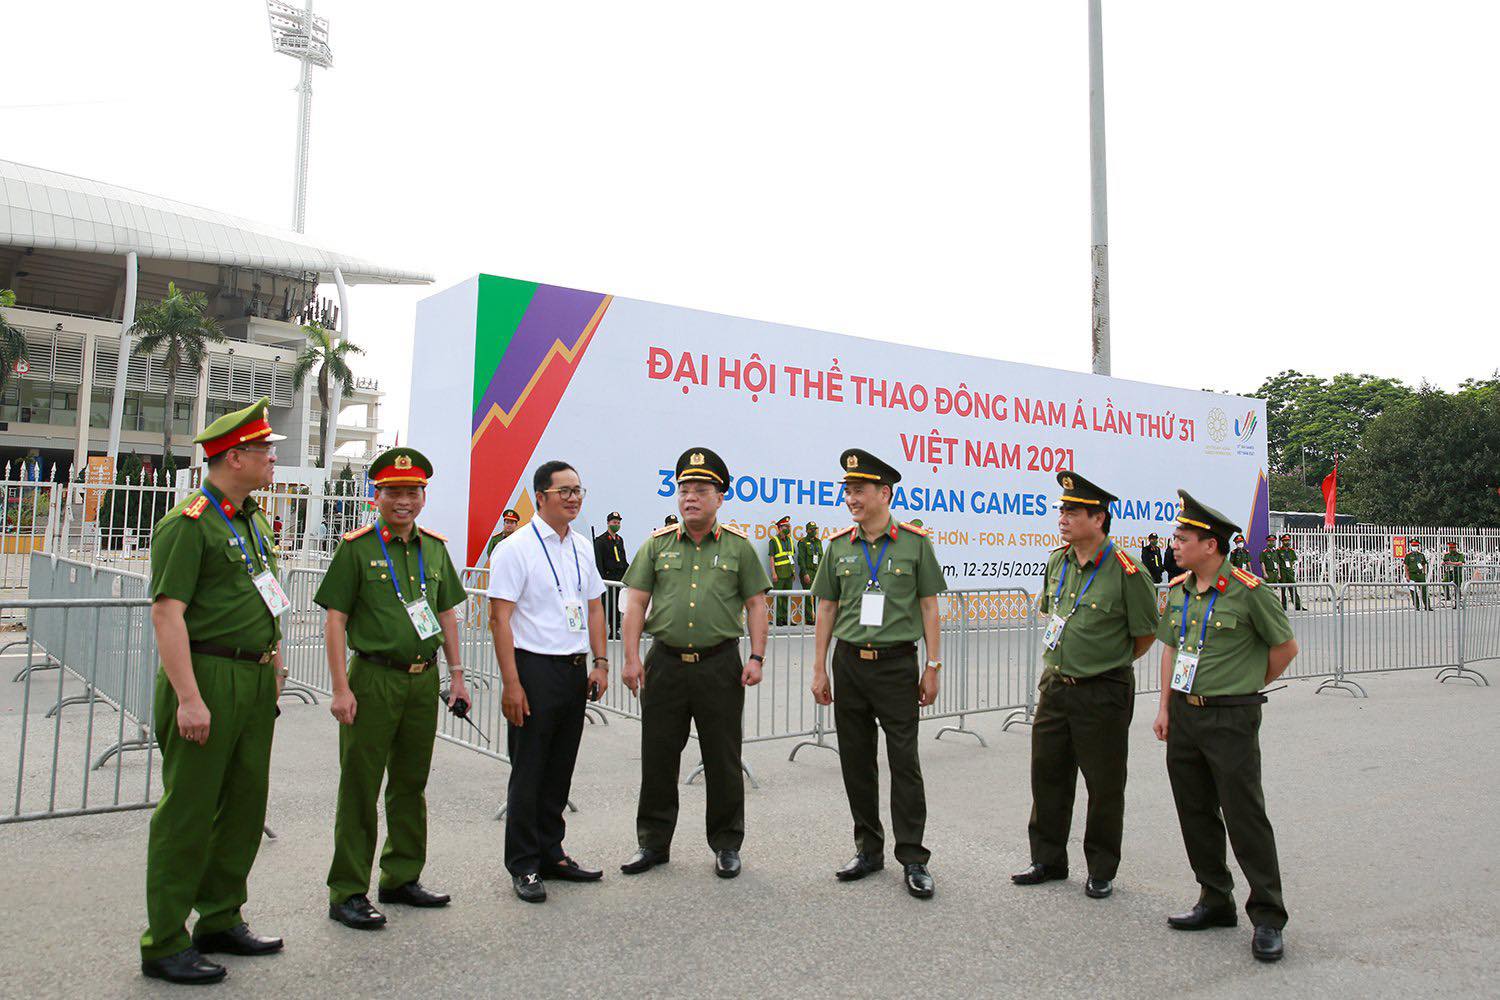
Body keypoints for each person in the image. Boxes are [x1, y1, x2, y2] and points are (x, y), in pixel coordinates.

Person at [140, 397, 288, 985]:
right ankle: (164, 940)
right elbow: (167, 614)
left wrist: (273, 663)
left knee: (245, 806)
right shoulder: (190, 523)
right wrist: (189, 698)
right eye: (264, 451)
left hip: (253, 679)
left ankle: (221, 916)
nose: (273, 459)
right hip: (207, 677)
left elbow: (263, 596)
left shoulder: (250, 518)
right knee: (189, 812)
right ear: (234, 456)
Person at [316, 448, 469, 928]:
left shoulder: (435, 548)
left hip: (422, 681)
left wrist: (457, 674)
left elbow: (446, 613)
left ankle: (401, 875)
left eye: (413, 492)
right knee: (360, 787)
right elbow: (335, 620)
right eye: (394, 492)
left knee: (410, 783)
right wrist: (341, 688)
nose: (404, 501)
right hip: (373, 679)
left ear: (423, 496)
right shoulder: (357, 548)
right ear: (376, 495)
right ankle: (347, 890)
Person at [1152, 491, 1298, 964]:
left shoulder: (1249, 592)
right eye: (1176, 537)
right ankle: (1215, 899)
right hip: (1186, 715)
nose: (1175, 544)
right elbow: (1171, 650)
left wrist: (1244, 686)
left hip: (1232, 715)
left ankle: (1269, 916)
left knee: (1243, 814)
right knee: (1194, 810)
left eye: (1183, 538)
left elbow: (1285, 649)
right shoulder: (1178, 591)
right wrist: (1165, 707)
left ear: (1210, 545)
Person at [620, 448, 770, 879]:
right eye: (683, 489)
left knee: (723, 758)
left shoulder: (739, 548)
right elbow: (635, 604)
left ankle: (726, 844)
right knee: (658, 755)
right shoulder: (656, 545)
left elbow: (757, 605)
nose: (689, 498)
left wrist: (757, 656)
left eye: (700, 490)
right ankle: (652, 843)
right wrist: (631, 659)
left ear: (719, 497)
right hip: (664, 664)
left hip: (719, 664)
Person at [1013, 471, 1159, 900]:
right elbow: (1051, 613)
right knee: (1048, 775)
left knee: (1104, 783)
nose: (1062, 517)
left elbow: (1145, 634)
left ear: (1098, 519)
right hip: (1056, 686)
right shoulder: (1057, 561)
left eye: (1072, 511)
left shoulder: (1128, 572)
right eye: (1062, 509)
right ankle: (1047, 859)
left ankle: (1100, 868)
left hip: (1103, 690)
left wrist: (1105, 662)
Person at [811, 449, 946, 899]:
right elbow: (826, 608)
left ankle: (913, 857)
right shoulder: (836, 547)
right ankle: (868, 849)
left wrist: (932, 666)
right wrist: (819, 668)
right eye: (847, 490)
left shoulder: (914, 543)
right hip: (849, 664)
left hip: (896, 666)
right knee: (856, 760)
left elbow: (929, 606)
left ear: (884, 493)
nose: (851, 498)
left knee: (904, 763)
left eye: (859, 490)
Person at [487, 461, 611, 902]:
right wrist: (511, 683)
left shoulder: (580, 546)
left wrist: (600, 661)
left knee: (560, 768)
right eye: (565, 491)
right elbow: (499, 618)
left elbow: (594, 607)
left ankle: (551, 852)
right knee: (530, 770)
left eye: (579, 490)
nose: (574, 498)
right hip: (533, 668)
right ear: (540, 496)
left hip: (574, 669)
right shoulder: (514, 548)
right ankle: (523, 864)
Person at [594, 511, 629, 639]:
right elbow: (598, 563)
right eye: (614, 522)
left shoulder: (619, 540)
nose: (616, 524)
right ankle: (604, 629)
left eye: (618, 522)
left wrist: (629, 574)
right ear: (608, 523)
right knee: (607, 606)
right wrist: (601, 580)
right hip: (607, 579)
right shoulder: (600, 541)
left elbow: (623, 560)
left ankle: (615, 629)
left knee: (617, 606)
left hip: (619, 579)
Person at [768, 515, 797, 625]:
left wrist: (793, 571)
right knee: (778, 598)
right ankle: (778, 618)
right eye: (786, 527)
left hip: (789, 574)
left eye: (789, 526)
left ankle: (787, 618)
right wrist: (773, 573)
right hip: (779, 574)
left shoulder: (790, 540)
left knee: (787, 597)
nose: (788, 529)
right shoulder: (773, 541)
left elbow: (791, 557)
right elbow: (771, 558)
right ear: (779, 528)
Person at [796, 520, 824, 626]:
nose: (814, 531)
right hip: (808, 572)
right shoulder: (803, 542)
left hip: (817, 572)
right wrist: (805, 573)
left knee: (819, 595)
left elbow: (821, 557)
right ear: (807, 531)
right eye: (812, 530)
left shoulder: (818, 542)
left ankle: (819, 618)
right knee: (808, 596)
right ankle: (809, 618)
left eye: (815, 529)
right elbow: (801, 559)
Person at [1277, 535, 1303, 611]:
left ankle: (1297, 605)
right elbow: (1277, 563)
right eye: (1285, 540)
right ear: (1282, 541)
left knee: (1293, 589)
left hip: (1290, 572)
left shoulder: (1291, 551)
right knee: (1283, 590)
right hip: (1282, 572)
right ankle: (1284, 606)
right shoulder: (1278, 551)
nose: (1287, 542)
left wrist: (1292, 570)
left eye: (1288, 540)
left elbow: (1293, 561)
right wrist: (1279, 573)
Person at [1403, 540, 1431, 610]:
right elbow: (1406, 567)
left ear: (1418, 546)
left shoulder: (1421, 555)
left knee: (1424, 591)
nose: (1414, 547)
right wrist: (1407, 576)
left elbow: (1424, 564)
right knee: (1413, 591)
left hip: (1420, 575)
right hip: (1412, 575)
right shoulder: (1408, 555)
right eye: (1413, 546)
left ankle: (1427, 606)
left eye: (1415, 546)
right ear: (1411, 546)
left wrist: (1424, 573)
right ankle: (1417, 606)